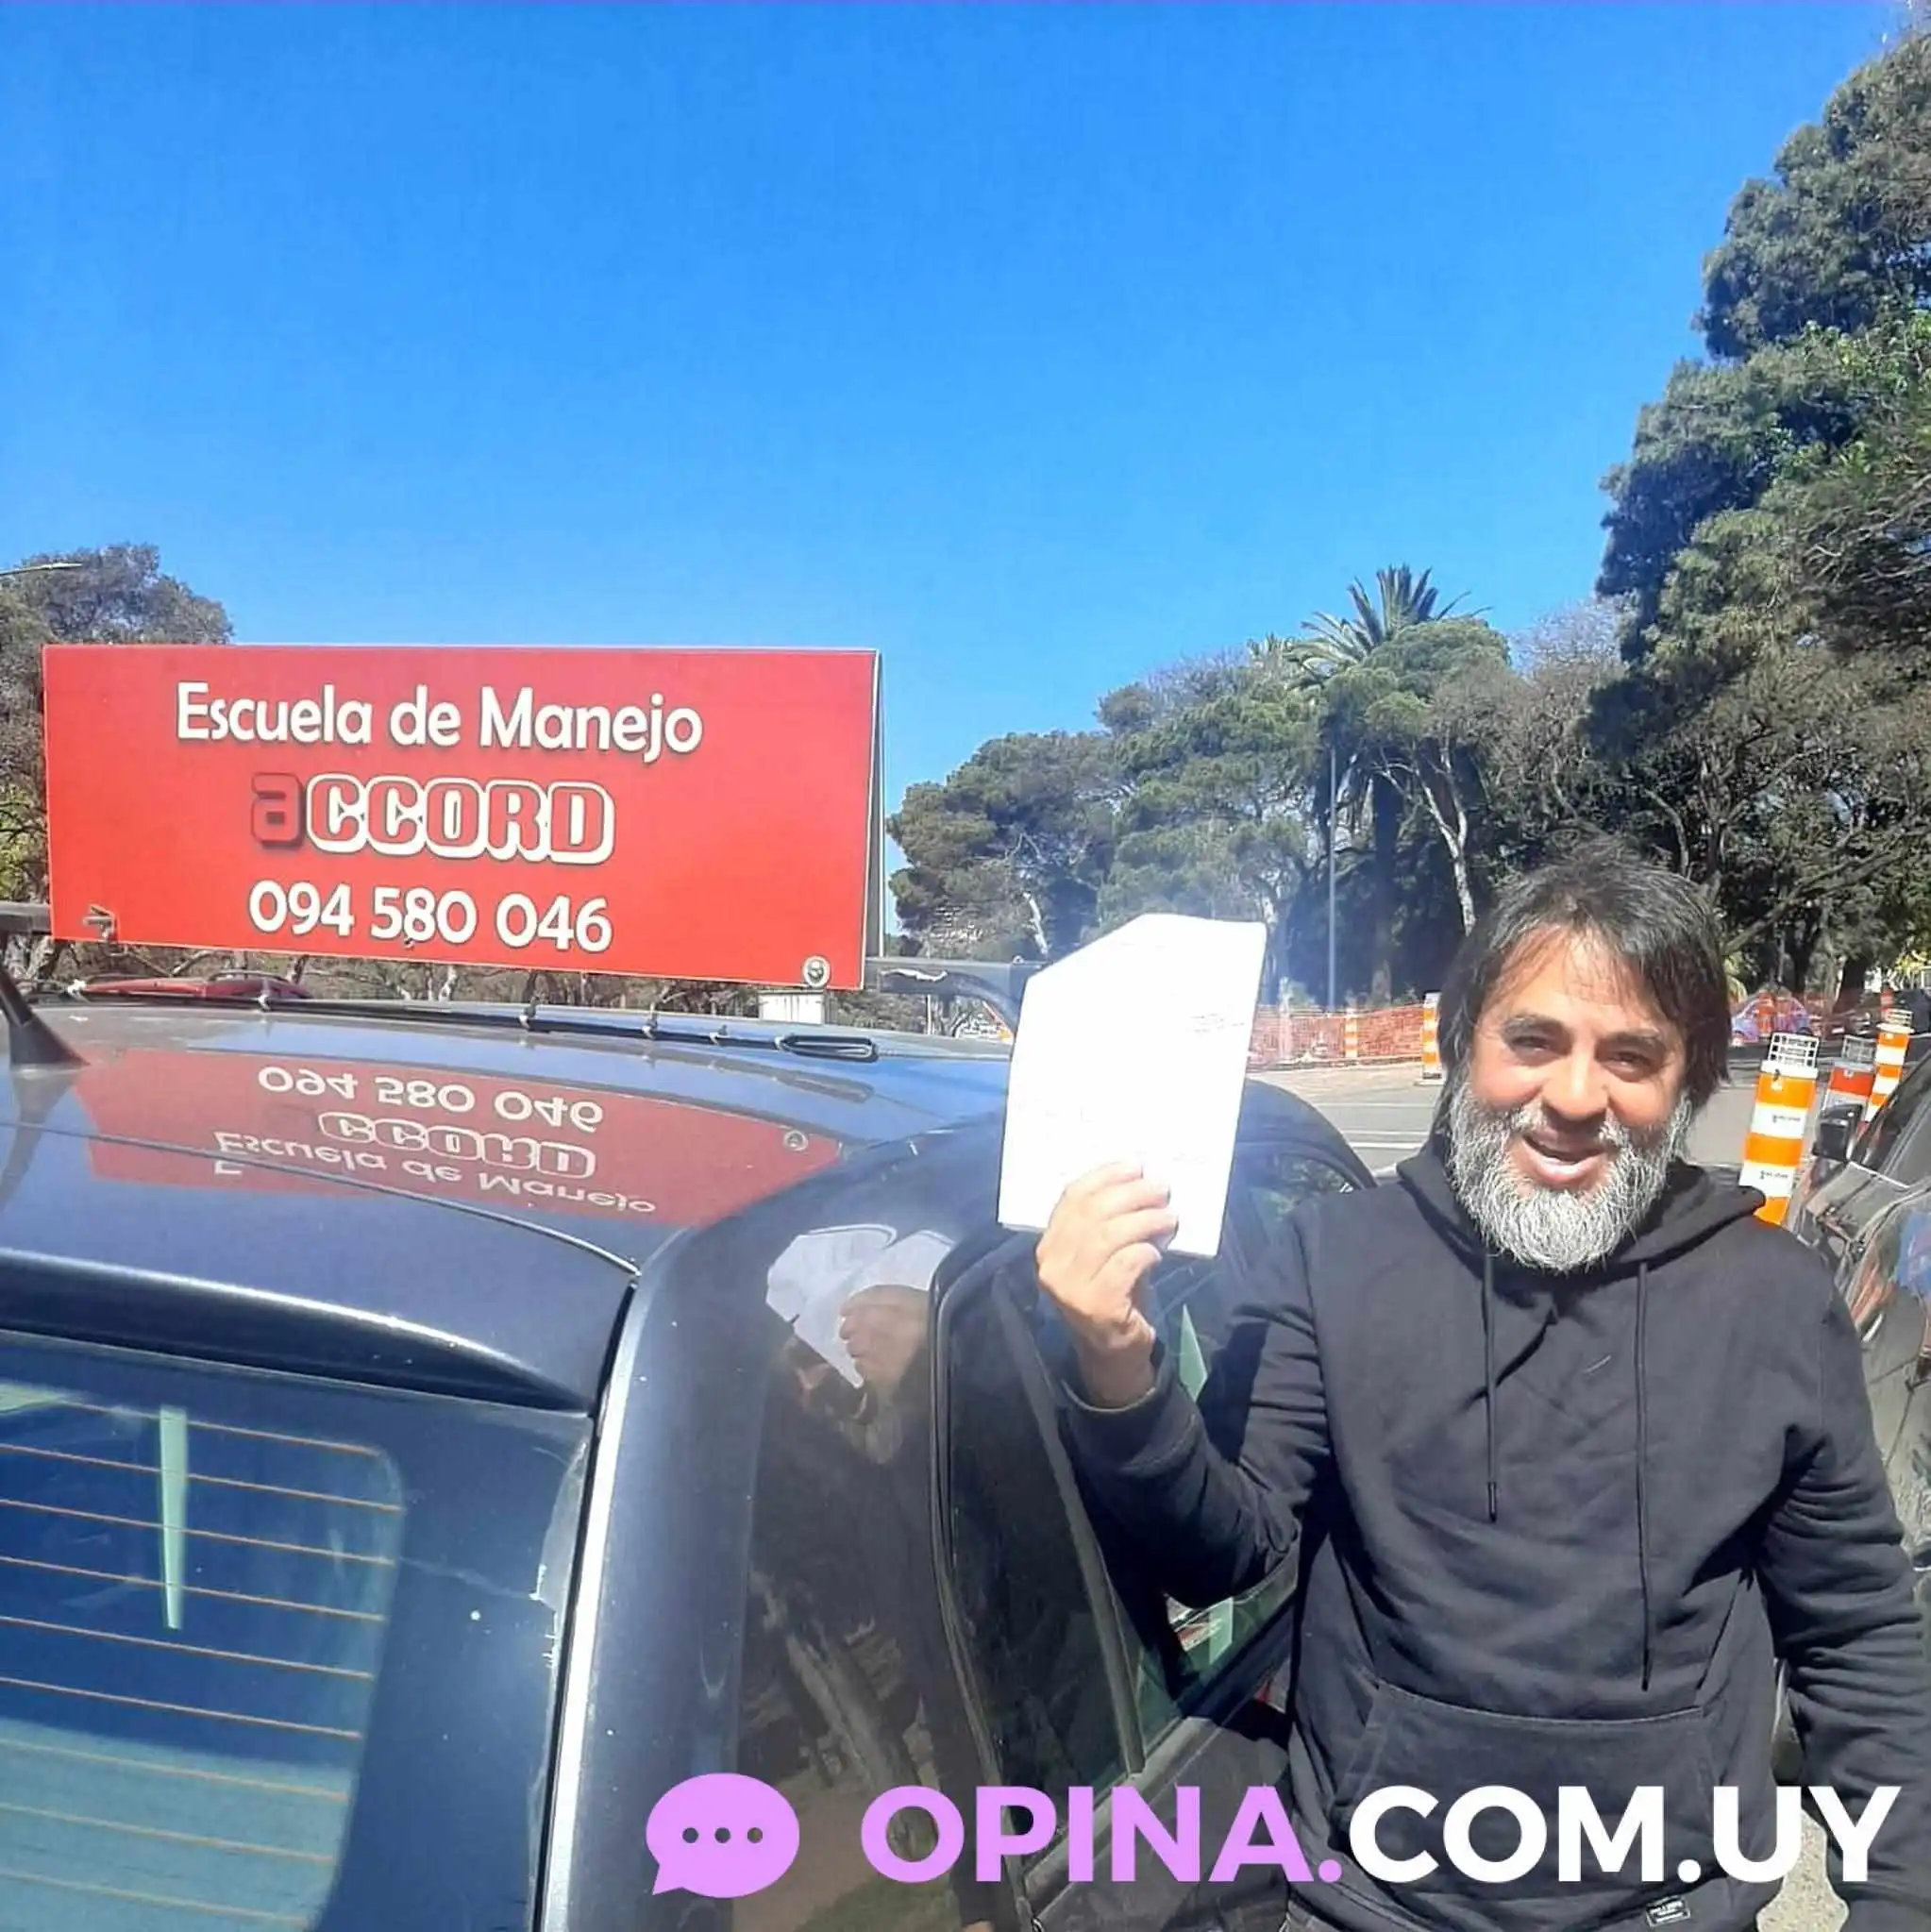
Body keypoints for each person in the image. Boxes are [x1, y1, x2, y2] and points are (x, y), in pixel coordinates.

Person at [1036, 843, 1931, 1932]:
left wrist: (1899, 1900)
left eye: (1631, 1056)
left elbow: (1854, 1634)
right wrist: (1115, 1363)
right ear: (1463, 1042)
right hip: (1372, 1903)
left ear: (1689, 1081)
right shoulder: (1332, 1259)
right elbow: (1224, 1551)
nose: (1575, 1097)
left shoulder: (1775, 1301)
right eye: (1533, 1041)